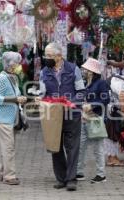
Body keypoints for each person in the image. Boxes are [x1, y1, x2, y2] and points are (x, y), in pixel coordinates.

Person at [39, 42, 85, 191]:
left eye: (49, 55)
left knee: (72, 146)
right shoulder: (44, 72)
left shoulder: (73, 69)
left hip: (72, 113)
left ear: (59, 56)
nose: (47, 58)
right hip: (53, 115)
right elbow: (42, 93)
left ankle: (71, 179)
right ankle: (61, 178)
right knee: (55, 146)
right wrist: (40, 99)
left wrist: (71, 102)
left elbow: (81, 92)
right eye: (46, 55)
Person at [0, 51, 27, 185]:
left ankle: (2, 173)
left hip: (11, 118)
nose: (18, 66)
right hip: (3, 119)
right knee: (9, 148)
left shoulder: (13, 77)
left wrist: (20, 99)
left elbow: (15, 96)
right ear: (10, 64)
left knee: (6, 148)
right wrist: (15, 99)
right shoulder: (2, 78)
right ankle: (10, 176)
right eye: (16, 63)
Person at [76, 58, 110, 183]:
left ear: (91, 71)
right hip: (84, 118)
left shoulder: (101, 83)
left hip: (95, 118)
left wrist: (93, 105)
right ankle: (79, 172)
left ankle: (101, 174)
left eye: (85, 69)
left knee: (98, 147)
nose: (83, 70)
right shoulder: (86, 83)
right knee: (80, 145)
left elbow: (106, 99)